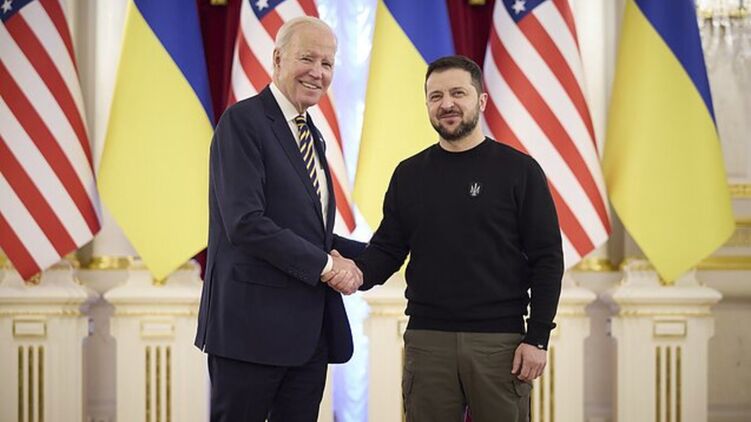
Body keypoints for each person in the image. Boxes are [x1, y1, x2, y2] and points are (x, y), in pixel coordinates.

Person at [333, 55, 564, 421]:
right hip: (427, 341)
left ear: (481, 100)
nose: (447, 104)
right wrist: (352, 271)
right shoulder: (409, 174)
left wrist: (537, 338)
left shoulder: (520, 171)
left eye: (458, 93)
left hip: (500, 344)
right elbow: (388, 250)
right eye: (436, 96)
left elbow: (548, 259)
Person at [195, 16, 366, 422]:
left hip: (307, 338)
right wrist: (329, 268)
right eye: (307, 58)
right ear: (277, 59)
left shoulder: (312, 134)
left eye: (327, 63)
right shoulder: (242, 122)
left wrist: (384, 252)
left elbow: (310, 233)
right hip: (249, 334)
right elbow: (246, 222)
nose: (318, 72)